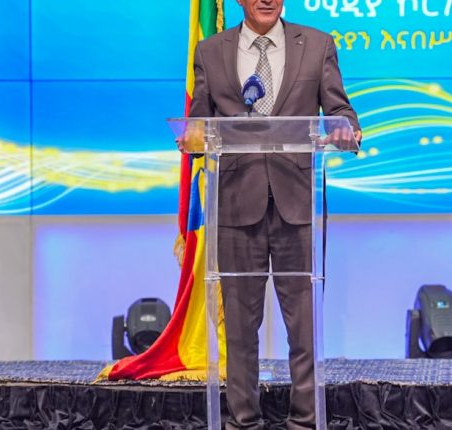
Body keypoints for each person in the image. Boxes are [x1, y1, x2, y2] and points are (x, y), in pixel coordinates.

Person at [187, 0, 361, 426]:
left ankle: (304, 422)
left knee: (304, 330)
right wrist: (192, 137)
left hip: (298, 205)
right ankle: (243, 421)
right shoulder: (210, 50)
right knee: (240, 331)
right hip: (235, 205)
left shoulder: (317, 45)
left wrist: (344, 128)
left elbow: (340, 110)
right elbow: (200, 123)